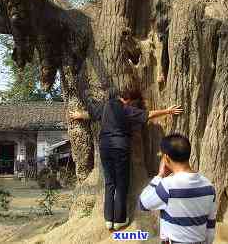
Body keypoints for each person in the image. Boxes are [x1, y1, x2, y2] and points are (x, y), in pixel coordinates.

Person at [70, 88, 183, 231]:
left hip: (105, 147)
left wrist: (77, 115)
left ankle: (108, 220)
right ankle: (119, 220)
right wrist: (168, 111)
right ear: (128, 100)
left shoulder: (105, 106)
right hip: (120, 147)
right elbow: (148, 114)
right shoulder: (126, 109)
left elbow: (90, 115)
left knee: (110, 183)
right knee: (121, 183)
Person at [139, 134, 216, 244]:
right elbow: (210, 225)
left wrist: (160, 176)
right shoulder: (209, 187)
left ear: (166, 158)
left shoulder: (167, 186)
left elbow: (142, 203)